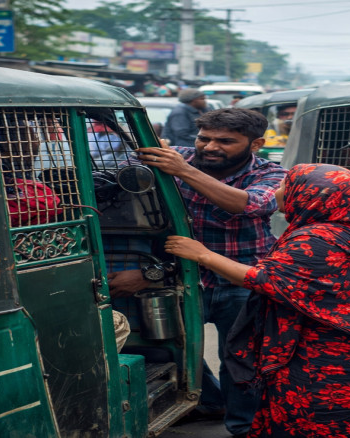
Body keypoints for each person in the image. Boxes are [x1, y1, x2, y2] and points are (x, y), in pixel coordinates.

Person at [162, 163, 350, 438]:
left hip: (335, 360)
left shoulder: (317, 237)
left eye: (285, 186)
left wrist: (202, 254)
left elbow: (265, 280)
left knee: (325, 423)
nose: (278, 191)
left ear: (311, 195)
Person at [109, 108, 286, 437]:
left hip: (241, 278)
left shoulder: (273, 174)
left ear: (256, 143)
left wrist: (184, 171)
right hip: (185, 276)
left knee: (240, 357)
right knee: (169, 344)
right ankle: (209, 401)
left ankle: (243, 427)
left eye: (226, 141)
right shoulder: (178, 156)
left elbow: (247, 204)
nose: (210, 147)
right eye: (204, 138)